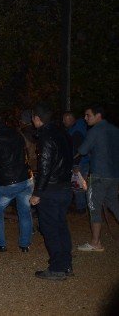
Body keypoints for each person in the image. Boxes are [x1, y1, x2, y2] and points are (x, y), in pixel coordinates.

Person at [29, 104, 73, 280]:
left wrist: (38, 193)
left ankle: (57, 269)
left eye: (33, 117)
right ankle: (66, 264)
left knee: (50, 229)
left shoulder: (46, 137)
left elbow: (45, 167)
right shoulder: (63, 133)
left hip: (51, 190)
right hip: (64, 187)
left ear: (37, 118)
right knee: (61, 226)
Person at [0, 114, 33, 253]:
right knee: (24, 212)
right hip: (26, 179)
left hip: (9, 182)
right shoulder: (16, 133)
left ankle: (0, 243)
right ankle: (25, 244)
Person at [76, 105, 119, 252]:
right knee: (114, 204)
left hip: (99, 175)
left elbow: (82, 150)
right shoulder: (115, 130)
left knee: (94, 206)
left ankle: (96, 243)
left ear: (98, 115)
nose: (85, 118)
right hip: (114, 175)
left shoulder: (95, 131)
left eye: (88, 115)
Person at [63, 111, 90, 213]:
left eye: (65, 120)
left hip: (80, 163)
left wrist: (75, 164)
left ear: (70, 119)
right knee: (80, 185)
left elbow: (78, 150)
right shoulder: (78, 128)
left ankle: (81, 208)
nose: (63, 122)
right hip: (83, 162)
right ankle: (82, 206)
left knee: (78, 186)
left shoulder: (76, 132)